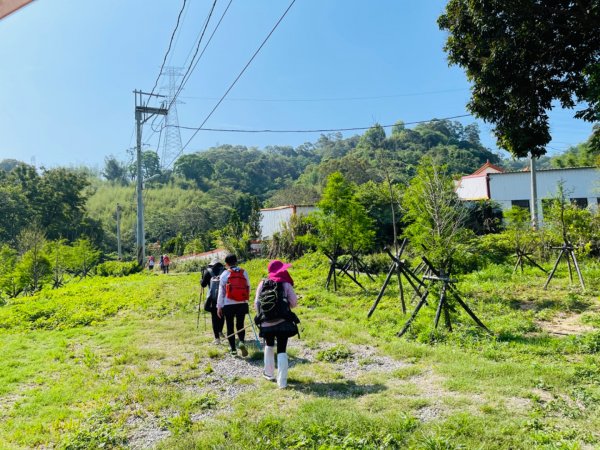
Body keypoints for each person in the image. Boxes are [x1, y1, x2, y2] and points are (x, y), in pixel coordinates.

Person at [254, 260, 298, 388]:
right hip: (283, 322)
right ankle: (282, 383)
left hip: (266, 323)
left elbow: (257, 303)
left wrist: (264, 316)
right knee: (282, 350)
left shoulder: (262, 284)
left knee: (269, 345)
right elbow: (294, 303)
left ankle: (268, 373)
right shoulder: (285, 284)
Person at [217, 254, 251, 357]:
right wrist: (245, 299)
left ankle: (233, 350)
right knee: (240, 324)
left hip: (228, 303)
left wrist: (219, 306)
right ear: (236, 261)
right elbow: (248, 286)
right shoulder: (244, 272)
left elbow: (221, 292)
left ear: (226, 264)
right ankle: (241, 342)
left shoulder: (224, 274)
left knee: (230, 326)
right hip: (242, 302)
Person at [201, 258, 225, 344]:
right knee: (222, 315)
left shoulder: (208, 271)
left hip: (212, 298)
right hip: (223, 297)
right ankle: (220, 331)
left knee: (214, 317)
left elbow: (203, 285)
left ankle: (217, 338)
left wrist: (201, 279)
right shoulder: (225, 271)